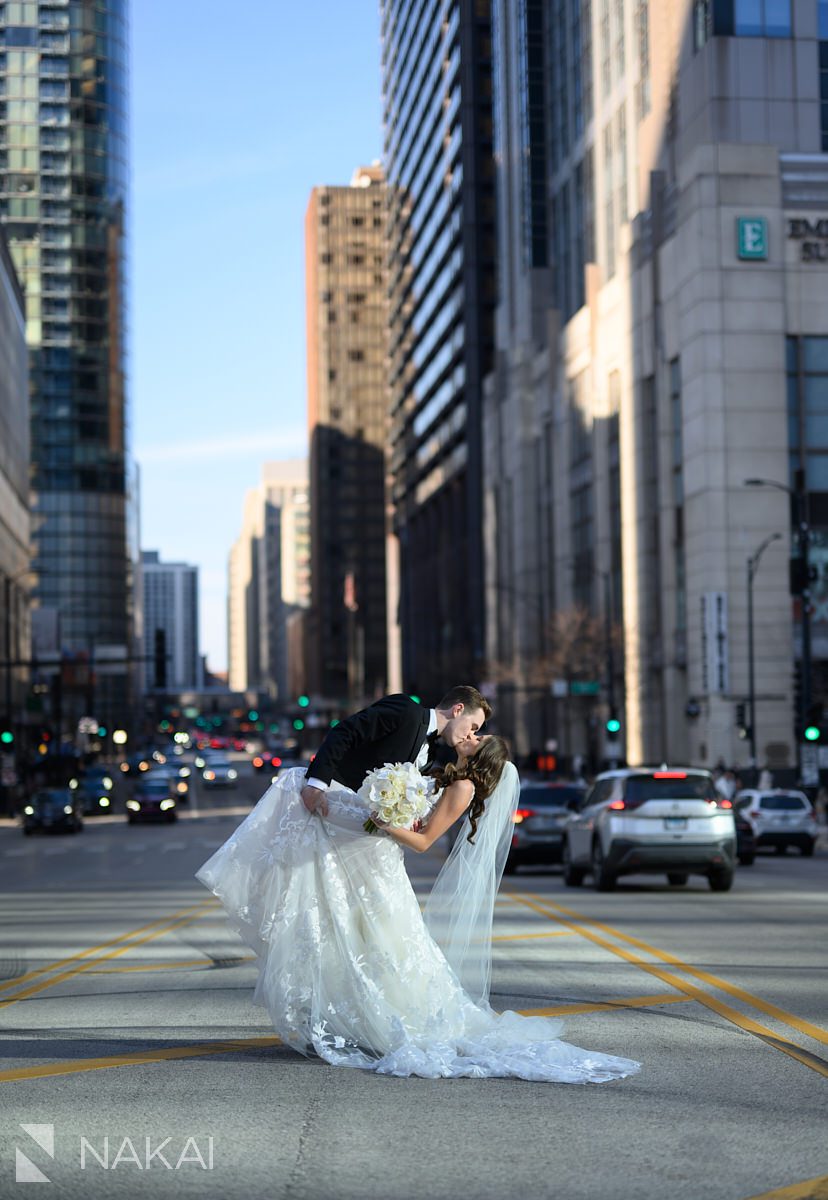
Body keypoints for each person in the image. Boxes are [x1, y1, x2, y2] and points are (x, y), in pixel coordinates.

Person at [195, 727, 640, 1083]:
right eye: (475, 731)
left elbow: (425, 841)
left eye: (478, 738)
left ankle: (379, 1020)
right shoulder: (452, 773)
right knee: (371, 942)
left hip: (386, 857)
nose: (471, 736)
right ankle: (352, 1016)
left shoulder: (464, 787)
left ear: (483, 757)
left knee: (387, 947)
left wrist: (381, 822)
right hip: (379, 859)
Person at [299, 685, 490, 817]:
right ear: (458, 709)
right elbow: (344, 732)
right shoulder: (406, 710)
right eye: (473, 727)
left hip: (355, 831)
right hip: (324, 804)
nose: (470, 735)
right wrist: (316, 786)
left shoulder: (431, 754)